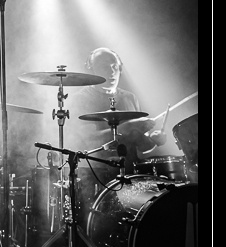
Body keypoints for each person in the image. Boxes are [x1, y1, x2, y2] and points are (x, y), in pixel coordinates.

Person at [70, 47, 166, 196]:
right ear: (91, 69)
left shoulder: (130, 98)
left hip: (131, 176)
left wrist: (154, 140)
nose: (111, 71)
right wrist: (126, 127)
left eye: (115, 66)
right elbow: (87, 140)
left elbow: (141, 146)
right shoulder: (80, 99)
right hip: (96, 176)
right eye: (104, 67)